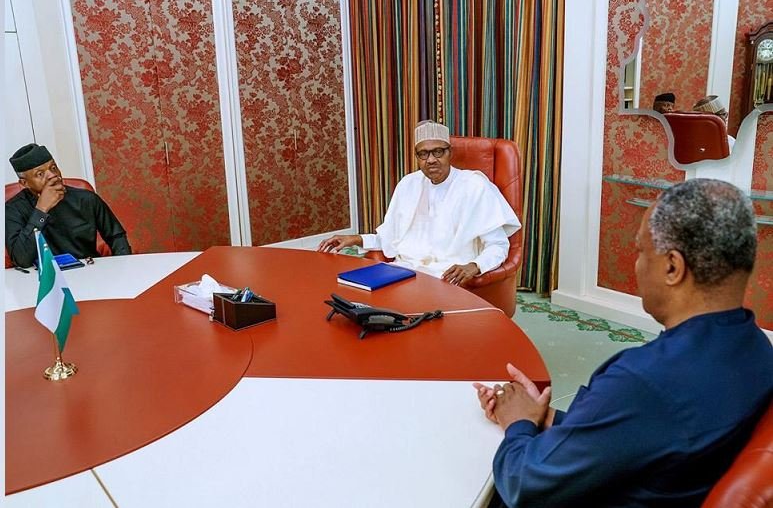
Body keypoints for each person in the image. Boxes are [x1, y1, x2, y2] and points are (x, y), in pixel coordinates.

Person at [474, 179, 772, 507]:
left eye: (641, 251)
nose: (637, 264)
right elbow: (641, 434)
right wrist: (544, 418)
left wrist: (516, 422)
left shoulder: (644, 380)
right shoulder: (756, 349)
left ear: (672, 266)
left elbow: (522, 484)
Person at [318, 120, 520, 286]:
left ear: (450, 152)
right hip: (404, 272)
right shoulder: (408, 184)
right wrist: (356, 239)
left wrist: (474, 266)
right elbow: (391, 239)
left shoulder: (475, 186)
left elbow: (498, 246)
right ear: (417, 157)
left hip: (447, 279)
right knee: (352, 298)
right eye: (423, 154)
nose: (430, 159)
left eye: (438, 152)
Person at [6, 143, 132, 267]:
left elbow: (116, 237)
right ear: (24, 183)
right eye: (40, 174)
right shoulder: (12, 209)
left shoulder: (86, 199)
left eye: (53, 168)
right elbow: (21, 259)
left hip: (88, 272)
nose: (52, 175)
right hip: (46, 281)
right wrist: (41, 210)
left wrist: (121, 270)